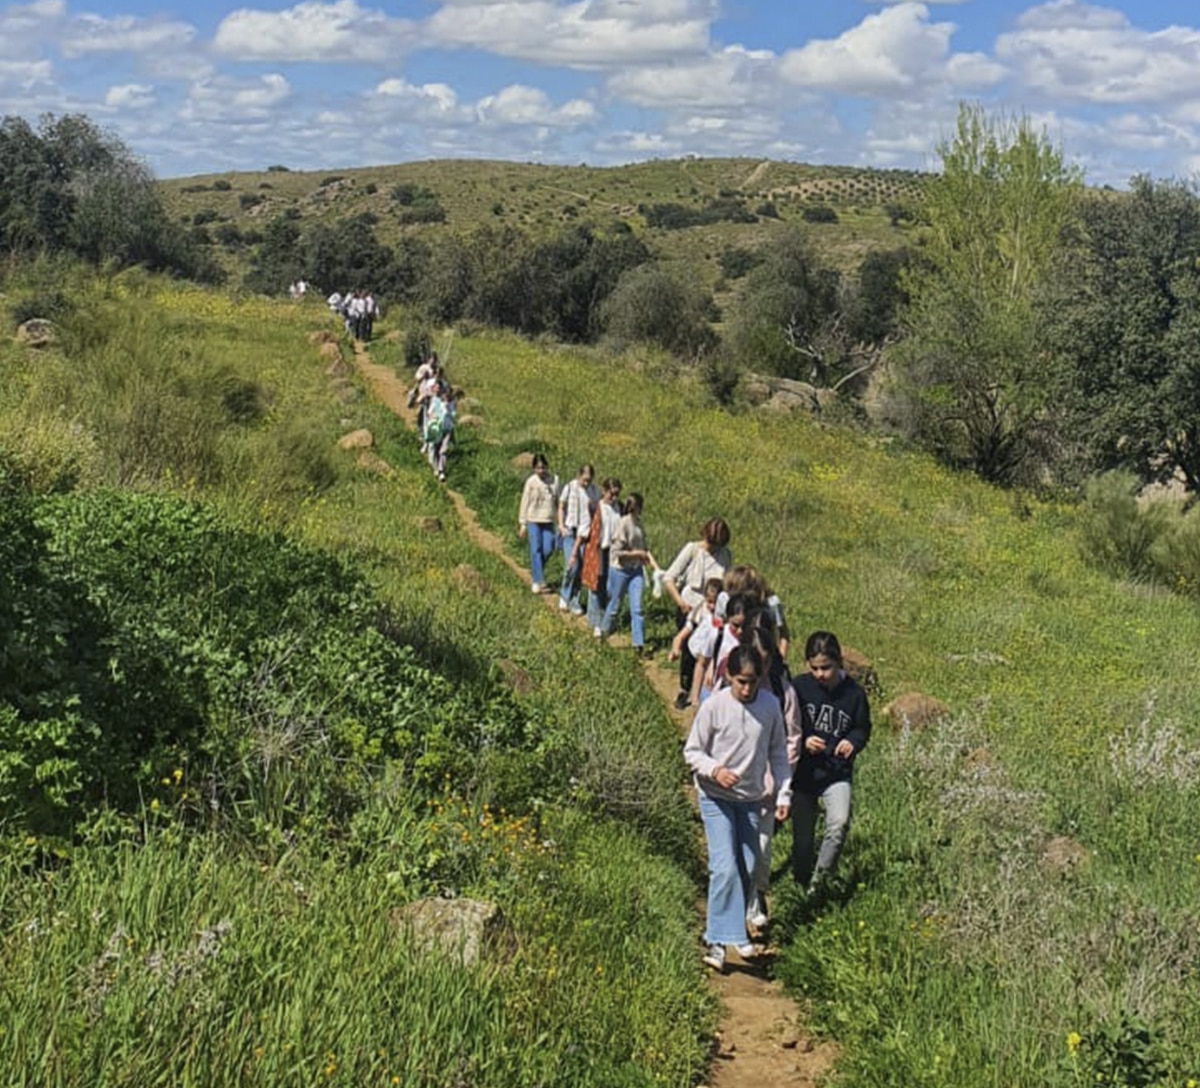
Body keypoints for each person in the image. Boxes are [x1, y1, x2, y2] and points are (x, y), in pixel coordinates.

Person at [683, 644, 792, 972]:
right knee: (724, 866)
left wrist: (783, 795)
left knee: (747, 864)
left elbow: (778, 755)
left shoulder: (770, 706)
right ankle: (717, 941)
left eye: (752, 682)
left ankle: (733, 931)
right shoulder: (714, 707)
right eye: (740, 681)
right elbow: (693, 751)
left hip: (751, 799)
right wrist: (715, 770)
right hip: (716, 796)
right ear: (728, 675)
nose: (746, 689)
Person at [789, 631, 872, 892]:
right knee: (802, 839)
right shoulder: (799, 687)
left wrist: (853, 742)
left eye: (826, 667)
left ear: (839, 663)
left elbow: (862, 728)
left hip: (837, 772)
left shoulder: (854, 694)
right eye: (814, 668)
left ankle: (819, 883)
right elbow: (785, 726)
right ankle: (800, 881)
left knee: (838, 823)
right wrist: (803, 741)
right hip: (803, 774)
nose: (820, 674)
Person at [662, 518, 732, 709]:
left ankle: (704, 690)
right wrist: (681, 603)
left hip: (713, 612)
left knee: (710, 651)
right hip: (690, 609)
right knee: (690, 651)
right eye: (712, 542)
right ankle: (685, 688)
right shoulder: (692, 550)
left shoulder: (725, 555)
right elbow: (669, 577)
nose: (714, 548)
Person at [598, 493, 656, 657]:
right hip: (620, 571)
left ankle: (638, 645)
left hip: (636, 570)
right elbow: (616, 552)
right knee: (615, 605)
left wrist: (655, 566)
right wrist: (636, 553)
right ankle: (603, 633)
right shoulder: (623, 524)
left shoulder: (639, 524)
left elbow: (645, 548)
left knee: (637, 609)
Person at [668, 576, 723, 707]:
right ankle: (685, 692)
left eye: (716, 603)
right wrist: (675, 649)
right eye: (709, 602)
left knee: (705, 677)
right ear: (704, 598)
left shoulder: (722, 615)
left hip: (710, 653)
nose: (712, 606)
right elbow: (682, 634)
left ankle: (701, 700)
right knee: (688, 668)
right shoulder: (700, 610)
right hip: (694, 647)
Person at [581, 477, 622, 635]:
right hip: (598, 549)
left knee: (609, 585)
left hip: (614, 551)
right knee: (596, 583)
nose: (614, 497)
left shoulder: (619, 507)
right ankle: (594, 620)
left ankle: (603, 616)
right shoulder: (595, 506)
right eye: (611, 494)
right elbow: (586, 526)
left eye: (617, 494)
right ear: (604, 491)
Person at [558, 464, 599, 616]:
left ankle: (574, 599)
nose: (587, 483)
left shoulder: (594, 491)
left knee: (581, 568)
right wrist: (561, 526)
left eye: (589, 480)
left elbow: (596, 511)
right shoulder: (570, 487)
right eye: (584, 480)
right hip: (570, 531)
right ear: (579, 476)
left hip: (585, 533)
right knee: (572, 565)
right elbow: (561, 506)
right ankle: (564, 594)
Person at [517, 454, 560, 594]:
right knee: (536, 548)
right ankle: (538, 580)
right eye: (537, 468)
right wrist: (523, 523)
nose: (541, 471)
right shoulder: (531, 482)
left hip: (548, 520)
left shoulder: (554, 480)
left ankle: (536, 568)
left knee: (548, 548)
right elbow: (525, 502)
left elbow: (558, 501)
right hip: (533, 519)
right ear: (533, 468)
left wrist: (560, 521)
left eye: (543, 467)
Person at [424, 387, 455, 481]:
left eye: (449, 395)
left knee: (443, 450)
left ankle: (441, 470)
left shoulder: (451, 404)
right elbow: (429, 413)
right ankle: (435, 468)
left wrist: (448, 410)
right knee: (433, 448)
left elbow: (453, 416)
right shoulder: (436, 402)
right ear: (442, 395)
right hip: (436, 427)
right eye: (446, 395)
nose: (447, 397)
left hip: (447, 429)